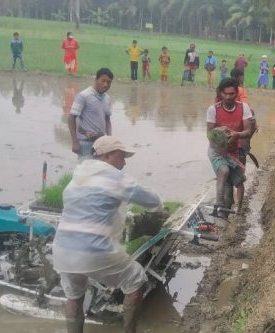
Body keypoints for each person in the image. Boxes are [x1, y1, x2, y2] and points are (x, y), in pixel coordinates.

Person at [52, 135, 163, 333]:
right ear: (107, 156)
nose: (124, 162)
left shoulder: (76, 178)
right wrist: (159, 207)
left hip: (63, 249)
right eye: (121, 156)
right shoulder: (114, 177)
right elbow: (152, 201)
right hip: (94, 249)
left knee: (74, 296)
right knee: (136, 280)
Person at [207, 79, 255, 211]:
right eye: (225, 94)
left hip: (236, 150)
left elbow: (249, 130)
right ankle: (220, 203)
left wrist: (237, 135)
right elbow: (209, 134)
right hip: (218, 151)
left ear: (236, 93)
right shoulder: (213, 110)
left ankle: (238, 210)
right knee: (224, 171)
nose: (228, 97)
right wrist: (220, 135)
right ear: (220, 93)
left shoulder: (243, 108)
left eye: (232, 94)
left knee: (239, 181)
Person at [68, 68, 114, 159]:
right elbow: (71, 117)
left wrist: (110, 140)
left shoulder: (107, 99)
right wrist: (74, 141)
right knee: (85, 171)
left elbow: (107, 120)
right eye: (103, 81)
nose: (105, 84)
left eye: (109, 82)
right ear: (96, 79)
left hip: (101, 143)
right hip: (85, 142)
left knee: (99, 170)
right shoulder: (84, 96)